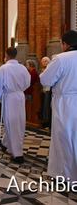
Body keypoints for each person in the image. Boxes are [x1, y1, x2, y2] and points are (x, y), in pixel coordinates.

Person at [40, 30, 77, 182]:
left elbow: (45, 80)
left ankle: (66, 175)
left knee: (63, 138)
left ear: (65, 44)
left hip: (64, 103)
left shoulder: (61, 59)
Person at [0, 47, 30, 164]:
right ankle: (5, 143)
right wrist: (19, 90)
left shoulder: (3, 69)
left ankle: (17, 154)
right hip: (19, 96)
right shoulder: (23, 68)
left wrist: (1, 96)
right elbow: (27, 83)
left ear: (6, 55)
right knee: (18, 122)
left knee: (11, 123)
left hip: (9, 97)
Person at [39, 56, 52, 128]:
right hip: (43, 90)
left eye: (45, 61)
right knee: (44, 107)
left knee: (47, 107)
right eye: (42, 61)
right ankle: (44, 121)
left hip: (48, 90)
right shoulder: (43, 70)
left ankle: (47, 122)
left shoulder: (49, 69)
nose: (43, 63)